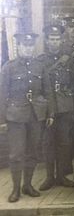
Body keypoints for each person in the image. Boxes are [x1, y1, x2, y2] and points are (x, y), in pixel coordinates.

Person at [0, 33, 54, 202]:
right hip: (15, 116)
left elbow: (48, 91)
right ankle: (15, 189)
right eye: (25, 45)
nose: (28, 48)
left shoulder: (40, 66)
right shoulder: (9, 67)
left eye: (31, 45)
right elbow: (2, 94)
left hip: (36, 115)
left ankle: (28, 185)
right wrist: (1, 119)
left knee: (32, 152)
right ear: (19, 47)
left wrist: (50, 113)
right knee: (16, 154)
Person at [38, 24, 74, 191]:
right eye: (51, 39)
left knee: (64, 142)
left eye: (57, 39)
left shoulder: (69, 60)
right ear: (47, 41)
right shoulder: (40, 61)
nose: (55, 42)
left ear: (62, 41)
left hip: (65, 107)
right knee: (48, 143)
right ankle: (49, 177)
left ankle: (61, 176)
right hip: (48, 109)